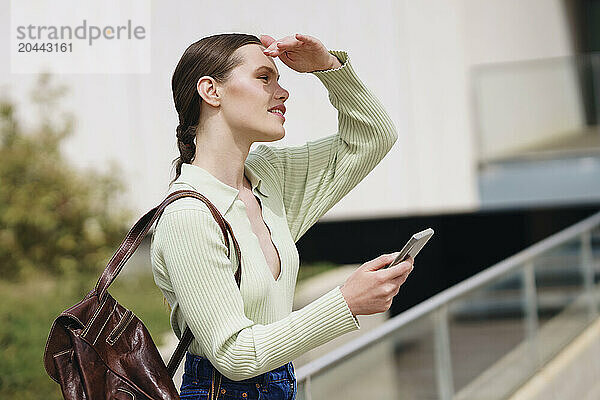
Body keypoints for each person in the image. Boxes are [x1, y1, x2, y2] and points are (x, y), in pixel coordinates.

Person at [150, 32, 414, 400]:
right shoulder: (188, 215)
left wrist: (327, 68)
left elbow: (373, 137)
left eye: (279, 79)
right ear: (211, 91)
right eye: (264, 77)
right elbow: (234, 354)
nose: (283, 91)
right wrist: (346, 302)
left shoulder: (269, 180)